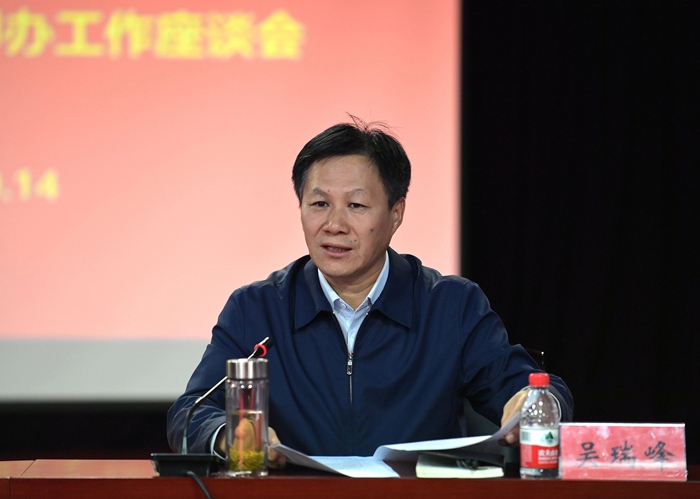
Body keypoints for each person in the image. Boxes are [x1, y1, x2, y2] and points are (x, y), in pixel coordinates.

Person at [167, 118, 573, 466]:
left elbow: (534, 389)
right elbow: (190, 413)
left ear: (396, 213)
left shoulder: (451, 306)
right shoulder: (256, 309)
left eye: (356, 206)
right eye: (319, 204)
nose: (334, 225)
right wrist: (229, 435)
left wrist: (536, 404)